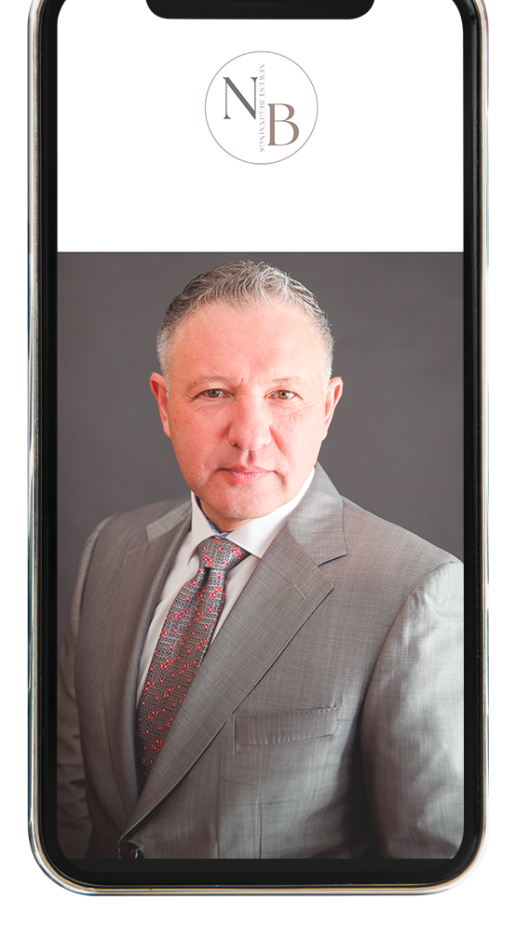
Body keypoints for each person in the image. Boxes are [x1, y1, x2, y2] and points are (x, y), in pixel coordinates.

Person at [57, 261, 463, 861]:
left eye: (283, 395)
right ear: (165, 404)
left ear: (326, 407)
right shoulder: (109, 549)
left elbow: (428, 865)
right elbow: (66, 793)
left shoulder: (414, 591)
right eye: (214, 392)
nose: (250, 435)